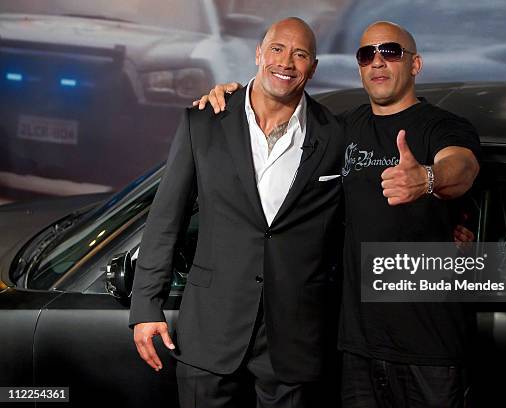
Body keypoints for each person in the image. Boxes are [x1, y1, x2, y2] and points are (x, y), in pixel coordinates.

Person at [195, 21, 480, 408]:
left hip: (429, 346)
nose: (378, 62)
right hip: (353, 346)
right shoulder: (341, 128)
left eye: (391, 52)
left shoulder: (441, 126)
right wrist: (231, 95)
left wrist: (427, 178)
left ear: (415, 65)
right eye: (367, 55)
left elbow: (461, 167)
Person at [129, 17, 347, 408]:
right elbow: (166, 220)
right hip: (210, 331)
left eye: (300, 54)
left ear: (312, 68)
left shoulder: (336, 136)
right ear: (259, 54)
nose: (286, 62)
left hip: (294, 340)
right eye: (277, 49)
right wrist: (146, 306)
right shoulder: (204, 120)